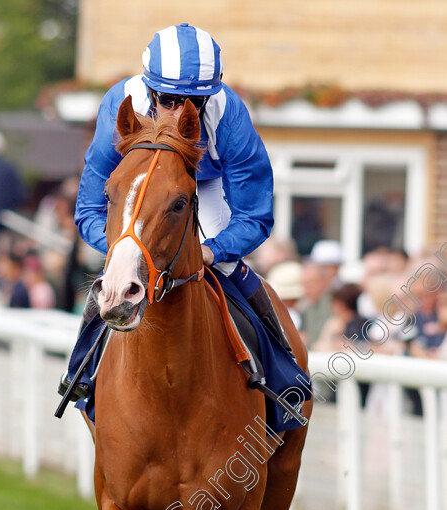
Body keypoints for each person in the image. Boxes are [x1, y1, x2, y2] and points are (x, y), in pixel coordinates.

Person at [74, 22, 287, 345]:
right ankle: (78, 375)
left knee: (230, 269)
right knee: (113, 279)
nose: (178, 115)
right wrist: (126, 251)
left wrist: (213, 251)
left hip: (208, 186)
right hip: (146, 193)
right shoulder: (120, 104)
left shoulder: (229, 115)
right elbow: (90, 208)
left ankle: (283, 371)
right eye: (168, 100)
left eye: (193, 103)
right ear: (149, 92)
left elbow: (254, 215)